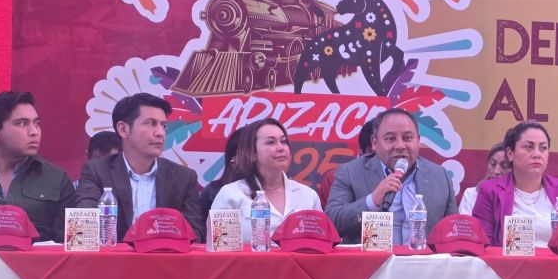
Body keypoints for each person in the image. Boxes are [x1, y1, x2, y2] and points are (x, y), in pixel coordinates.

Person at [75, 92, 202, 241]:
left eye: (163, 125)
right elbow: (83, 227)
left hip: (164, 255)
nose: (160, 133)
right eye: (151, 123)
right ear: (123, 129)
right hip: (114, 255)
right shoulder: (97, 172)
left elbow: (194, 236)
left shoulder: (184, 178)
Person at [326, 108, 457, 243]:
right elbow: (331, 224)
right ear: (375, 143)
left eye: (407, 138)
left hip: (423, 256)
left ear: (418, 141)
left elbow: (453, 231)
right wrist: (371, 201)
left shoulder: (439, 176)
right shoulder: (350, 172)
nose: (400, 146)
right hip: (373, 256)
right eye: (390, 139)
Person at [0, 90, 77, 242]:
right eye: (22, 123)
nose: (34, 132)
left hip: (37, 257)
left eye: (37, 124)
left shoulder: (57, 179)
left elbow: (68, 243)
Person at [211, 118, 321, 243]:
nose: (281, 148)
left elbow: (320, 243)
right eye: (271, 142)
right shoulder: (230, 194)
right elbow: (220, 245)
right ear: (252, 152)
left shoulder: (308, 195)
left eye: (284, 141)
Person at [473, 121, 558, 247]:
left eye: (543, 148)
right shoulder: (490, 191)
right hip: (508, 260)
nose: (537, 154)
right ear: (510, 154)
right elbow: (485, 246)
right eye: (529, 147)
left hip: (557, 260)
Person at [198, 126, 246, 236]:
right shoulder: (214, 191)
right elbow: (202, 235)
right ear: (234, 157)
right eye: (250, 150)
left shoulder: (275, 188)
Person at [458, 142, 510, 215]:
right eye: (492, 164)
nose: (496, 171)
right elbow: (465, 221)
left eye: (504, 166)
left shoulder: (519, 197)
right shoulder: (471, 194)